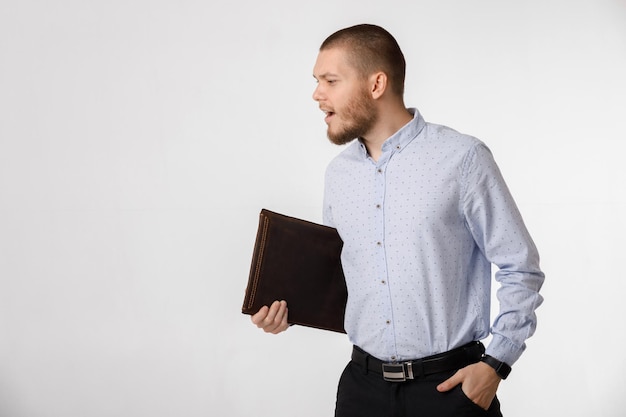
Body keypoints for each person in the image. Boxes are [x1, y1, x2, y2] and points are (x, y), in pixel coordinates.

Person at [251, 24, 544, 417]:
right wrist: (290, 310)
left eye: (330, 80)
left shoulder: (462, 159)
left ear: (376, 84)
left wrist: (496, 365)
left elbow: (519, 266)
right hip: (361, 392)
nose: (317, 94)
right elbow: (346, 282)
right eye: (317, 81)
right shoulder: (338, 176)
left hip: (450, 390)